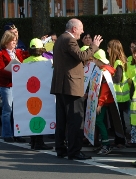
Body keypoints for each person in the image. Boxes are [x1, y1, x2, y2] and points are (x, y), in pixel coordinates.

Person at [50, 18, 102, 160]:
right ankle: (74, 151)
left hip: (60, 85)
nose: (82, 31)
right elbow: (81, 55)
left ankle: (61, 149)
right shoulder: (69, 40)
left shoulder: (60, 38)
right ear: (74, 29)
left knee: (61, 120)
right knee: (75, 120)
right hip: (71, 86)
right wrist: (94, 46)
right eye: (81, 29)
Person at [23, 38, 53, 150]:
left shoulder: (25, 62)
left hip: (28, 94)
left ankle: (33, 140)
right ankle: (39, 142)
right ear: (42, 49)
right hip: (42, 94)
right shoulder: (46, 62)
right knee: (41, 115)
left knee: (32, 115)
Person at [0, 30, 28, 143]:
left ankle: (18, 133)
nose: (14, 43)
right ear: (6, 42)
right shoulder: (1, 54)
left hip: (18, 85)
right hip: (7, 85)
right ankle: (7, 134)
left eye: (15, 41)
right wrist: (15, 72)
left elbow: (30, 54)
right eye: (12, 41)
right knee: (8, 110)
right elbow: (1, 71)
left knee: (17, 110)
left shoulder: (18, 52)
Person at [107, 39, 129, 148]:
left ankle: (120, 140)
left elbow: (117, 79)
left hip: (119, 96)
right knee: (117, 119)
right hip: (119, 96)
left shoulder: (118, 62)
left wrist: (107, 73)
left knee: (118, 120)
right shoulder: (120, 61)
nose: (107, 50)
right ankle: (119, 139)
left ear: (114, 49)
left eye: (108, 48)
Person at [93, 49, 116, 155]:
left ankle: (106, 145)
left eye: (94, 59)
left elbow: (105, 90)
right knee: (101, 121)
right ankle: (104, 143)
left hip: (103, 101)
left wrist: (100, 104)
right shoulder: (107, 69)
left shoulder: (104, 72)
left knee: (99, 121)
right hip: (106, 101)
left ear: (97, 60)